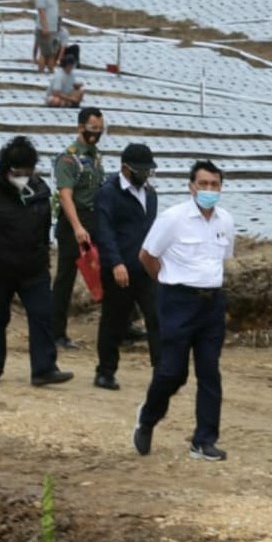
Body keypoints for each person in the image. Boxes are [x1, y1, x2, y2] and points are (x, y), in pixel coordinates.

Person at [131, 160, 234, 462]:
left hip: (212, 303)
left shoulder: (225, 220)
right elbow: (147, 256)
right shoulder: (173, 218)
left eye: (215, 185)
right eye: (203, 184)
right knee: (173, 372)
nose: (209, 190)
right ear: (191, 187)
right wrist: (166, 281)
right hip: (177, 301)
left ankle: (204, 441)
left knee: (209, 372)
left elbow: (224, 256)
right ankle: (148, 417)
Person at [0, 136, 73, 387]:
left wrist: (44, 257)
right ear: (5, 169)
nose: (23, 176)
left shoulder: (38, 188)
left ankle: (44, 369)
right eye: (18, 172)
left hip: (33, 268)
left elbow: (43, 224)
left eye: (28, 171)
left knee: (43, 315)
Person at [92, 143, 161, 391]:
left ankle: (161, 370)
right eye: (141, 170)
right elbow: (104, 231)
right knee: (114, 320)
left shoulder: (150, 194)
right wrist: (116, 262)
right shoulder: (108, 194)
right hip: (119, 269)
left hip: (145, 268)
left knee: (156, 317)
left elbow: (154, 229)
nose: (145, 175)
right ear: (125, 169)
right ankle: (105, 372)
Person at [51, 107, 105, 349]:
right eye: (93, 129)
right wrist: (77, 227)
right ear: (80, 127)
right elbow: (65, 196)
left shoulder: (95, 157)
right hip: (75, 221)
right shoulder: (68, 159)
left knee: (110, 269)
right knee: (65, 278)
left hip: (95, 218)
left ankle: (123, 325)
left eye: (100, 129)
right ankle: (55, 332)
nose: (97, 133)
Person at [33, 0, 66, 73]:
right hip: (44, 28)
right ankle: (41, 71)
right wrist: (44, 28)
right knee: (44, 53)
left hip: (53, 28)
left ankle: (50, 71)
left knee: (51, 53)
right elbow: (42, 12)